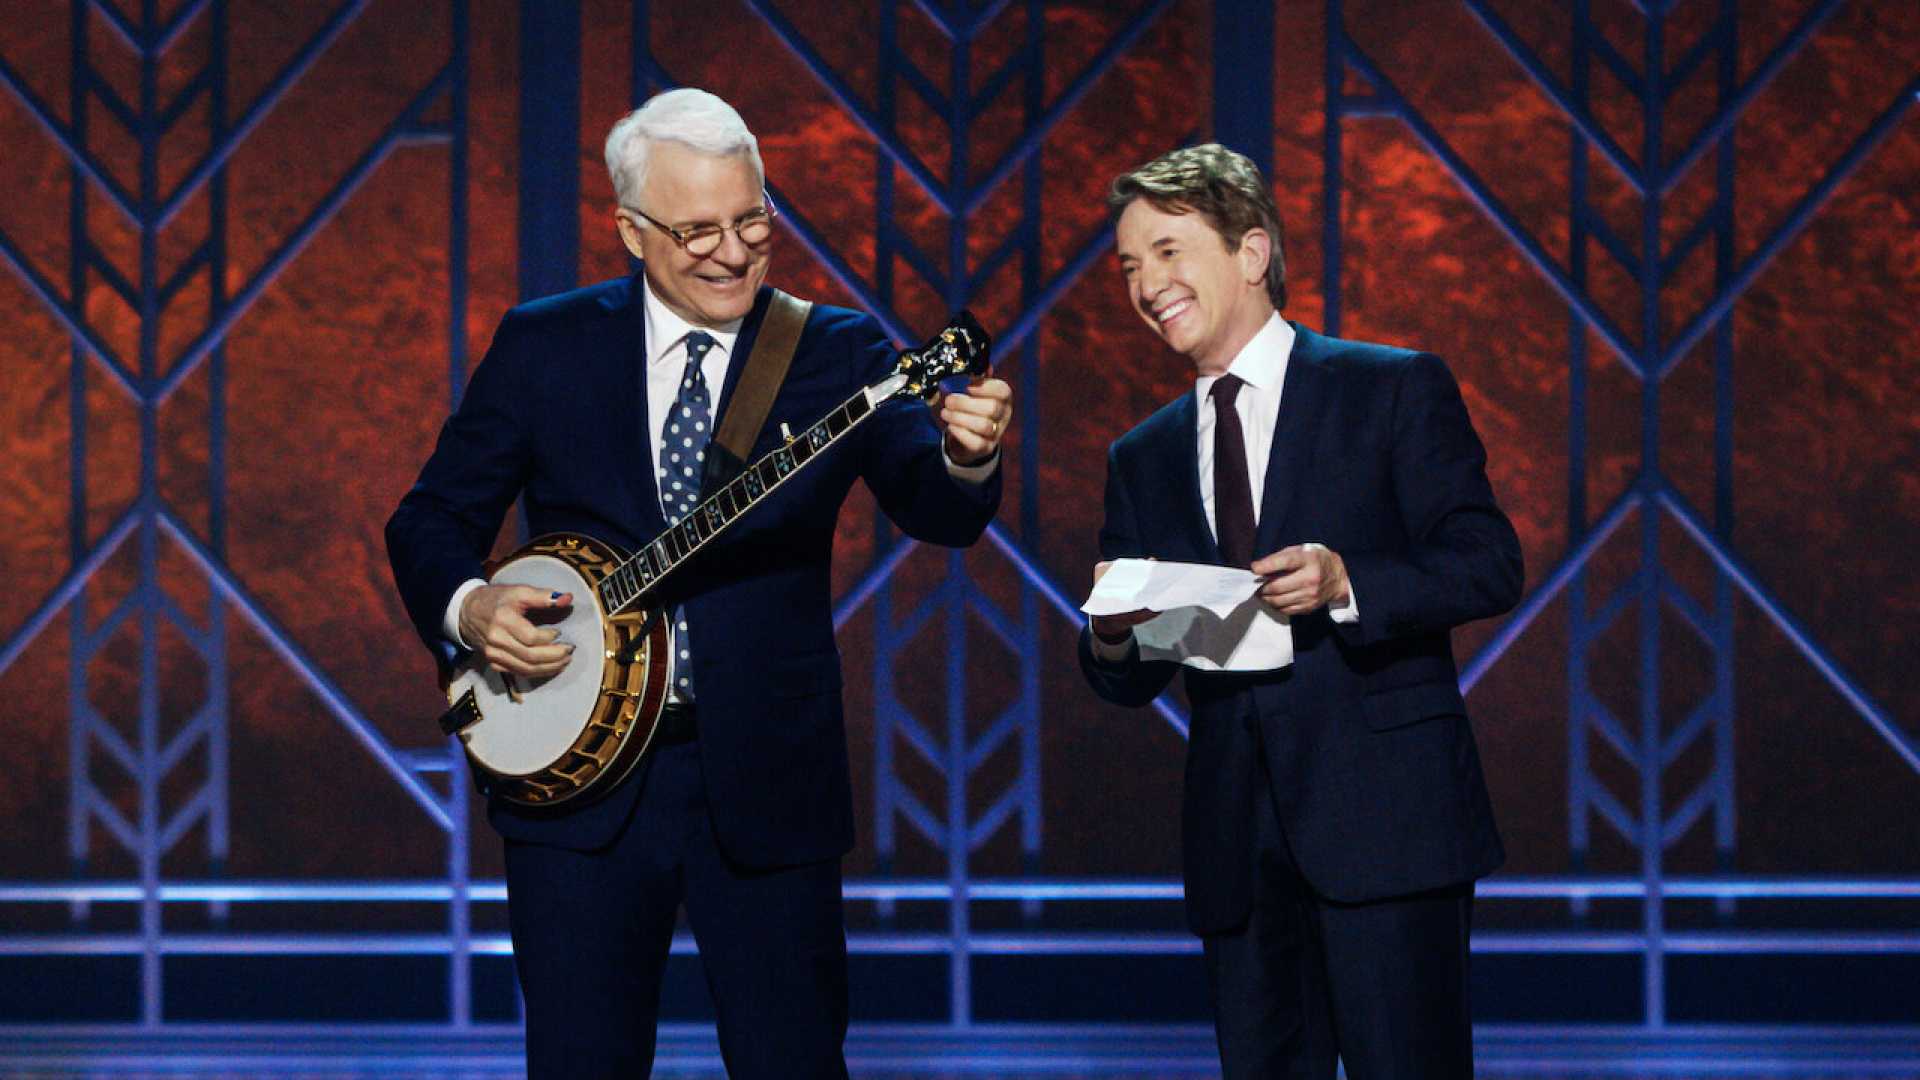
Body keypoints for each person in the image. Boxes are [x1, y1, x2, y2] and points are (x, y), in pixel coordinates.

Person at [385, 88, 1011, 1078]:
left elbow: (937, 508)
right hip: (574, 786)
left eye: (752, 220)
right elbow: (430, 520)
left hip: (767, 779)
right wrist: (473, 607)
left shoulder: (835, 351)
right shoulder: (546, 344)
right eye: (697, 230)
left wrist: (968, 457)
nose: (732, 252)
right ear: (629, 230)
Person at [1079, 143, 1522, 1078]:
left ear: (1251, 251)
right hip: (1239, 848)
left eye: (1167, 250)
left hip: (1389, 826)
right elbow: (1128, 673)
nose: (1145, 283)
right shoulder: (1142, 456)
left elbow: (1487, 564)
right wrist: (1115, 639)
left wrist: (1345, 580)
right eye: (1128, 266)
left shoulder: (1390, 387)